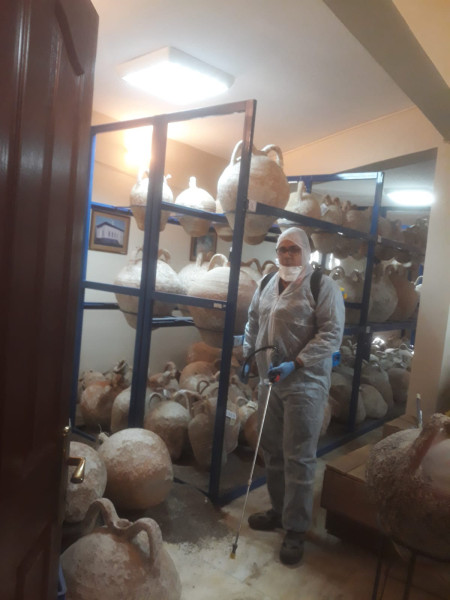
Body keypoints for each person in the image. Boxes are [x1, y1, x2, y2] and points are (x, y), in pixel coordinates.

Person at [240, 227, 345, 566]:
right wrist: (247, 355)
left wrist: (296, 363)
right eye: (282, 249)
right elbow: (252, 322)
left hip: (305, 385)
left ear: (306, 252)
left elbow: (331, 334)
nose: (287, 255)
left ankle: (296, 528)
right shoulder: (266, 283)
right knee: (272, 451)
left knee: (298, 456)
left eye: (294, 249)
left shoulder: (322, 286)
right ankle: (279, 510)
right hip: (270, 382)